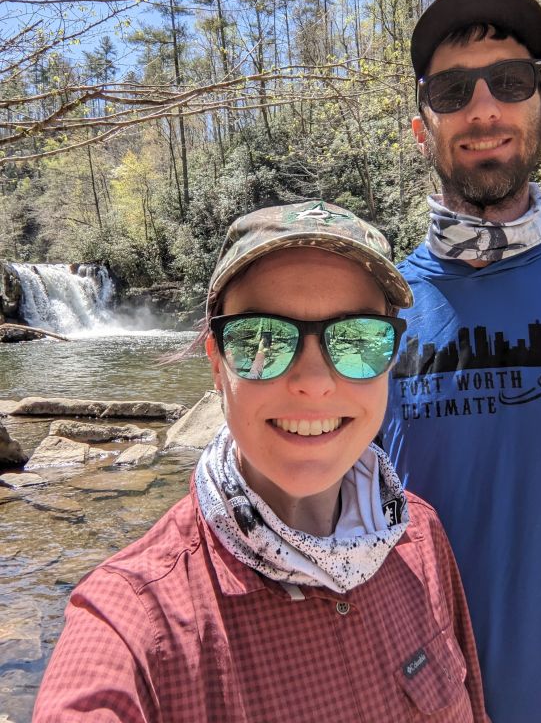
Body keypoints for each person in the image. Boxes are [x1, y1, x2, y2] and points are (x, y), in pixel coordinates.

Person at [32, 201, 488, 722]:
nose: (314, 382)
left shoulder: (422, 538)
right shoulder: (135, 620)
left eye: (358, 339)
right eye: (260, 341)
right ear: (216, 364)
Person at [381, 0, 541, 723]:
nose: (483, 109)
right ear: (421, 128)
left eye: (511, 83)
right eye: (451, 90)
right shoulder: (371, 311)